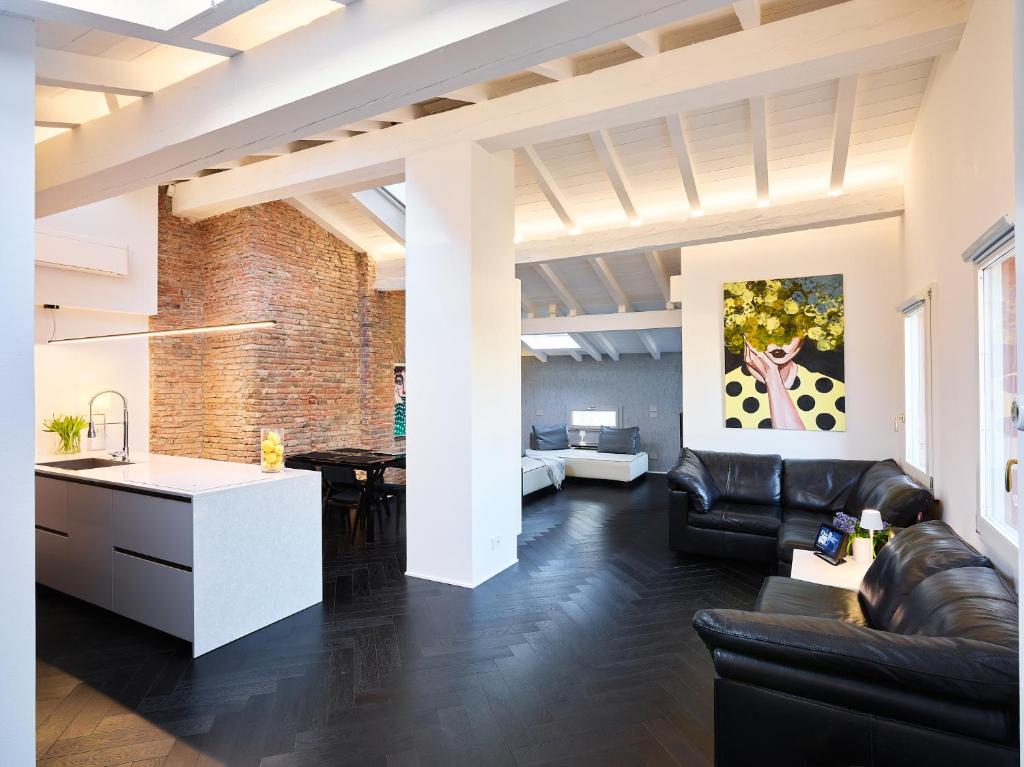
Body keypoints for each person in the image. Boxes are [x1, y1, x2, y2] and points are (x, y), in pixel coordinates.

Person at [723, 276, 845, 431]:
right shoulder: (724, 393)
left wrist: (772, 377)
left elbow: (798, 447)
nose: (778, 342)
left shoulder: (833, 393)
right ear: (745, 330)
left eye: (791, 329)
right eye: (764, 330)